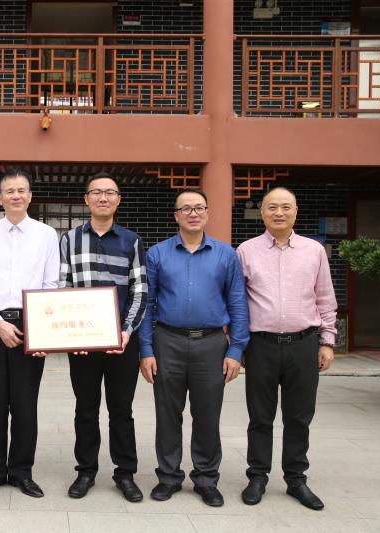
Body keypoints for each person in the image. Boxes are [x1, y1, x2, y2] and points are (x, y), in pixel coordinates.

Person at [137, 188, 249, 507]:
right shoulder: (157, 254)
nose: (193, 214)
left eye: (199, 207)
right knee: (167, 414)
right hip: (167, 341)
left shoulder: (226, 254)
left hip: (212, 343)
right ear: (176, 216)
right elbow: (148, 303)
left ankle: (206, 479)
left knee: (207, 415)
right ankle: (168, 477)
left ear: (207, 213)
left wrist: (236, 351)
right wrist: (146, 349)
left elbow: (238, 302)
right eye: (185, 209)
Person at [236, 187, 337, 511]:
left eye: (285, 207)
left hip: (303, 344)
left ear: (295, 212)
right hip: (261, 345)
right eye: (272, 207)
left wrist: (327, 341)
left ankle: (296, 479)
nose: (279, 213)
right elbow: (238, 302)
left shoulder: (313, 251)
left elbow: (325, 298)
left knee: (299, 416)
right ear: (263, 212)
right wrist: (238, 345)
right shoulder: (246, 251)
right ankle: (257, 476)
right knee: (260, 417)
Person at [0, 168, 60, 498]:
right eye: (9, 191)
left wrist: (40, 331)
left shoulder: (46, 235)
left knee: (25, 405)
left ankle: (22, 472)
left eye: (22, 190)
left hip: (31, 326)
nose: (16, 195)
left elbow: (51, 284)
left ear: (30, 196)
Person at [58, 172, 147, 502]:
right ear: (87, 199)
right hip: (82, 342)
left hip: (121, 342)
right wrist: (72, 336)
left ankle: (125, 473)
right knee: (85, 408)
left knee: (121, 410)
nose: (103, 198)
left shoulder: (131, 240)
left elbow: (140, 290)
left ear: (118, 200)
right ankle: (86, 471)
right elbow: (63, 287)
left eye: (110, 192)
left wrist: (126, 331)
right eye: (96, 192)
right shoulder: (69, 239)